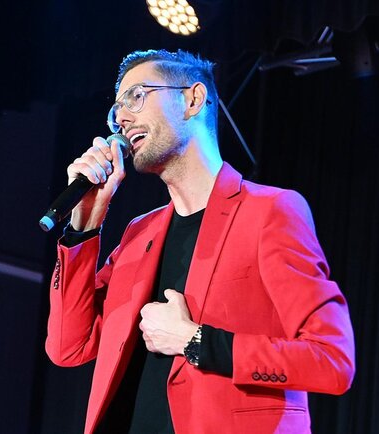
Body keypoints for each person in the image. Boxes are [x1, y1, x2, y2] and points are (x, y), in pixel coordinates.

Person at [45, 49, 355, 434]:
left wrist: (196, 342)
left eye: (136, 97)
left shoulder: (270, 212)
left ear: (193, 100)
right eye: (117, 109)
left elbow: (332, 361)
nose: (121, 119)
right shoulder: (139, 234)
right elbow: (68, 348)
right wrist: (85, 227)